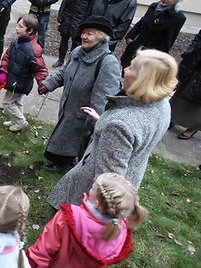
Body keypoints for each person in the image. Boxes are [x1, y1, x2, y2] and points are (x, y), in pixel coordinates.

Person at [46, 49, 176, 209]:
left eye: (131, 68)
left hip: (90, 192)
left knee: (69, 225)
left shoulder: (120, 125)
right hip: (131, 179)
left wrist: (93, 213)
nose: (125, 69)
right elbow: (135, 136)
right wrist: (102, 121)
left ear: (143, 80)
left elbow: (107, 183)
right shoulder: (162, 105)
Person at [38, 15, 120, 173]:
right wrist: (48, 85)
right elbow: (63, 73)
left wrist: (94, 123)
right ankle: (65, 162)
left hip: (83, 117)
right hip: (69, 108)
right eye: (83, 32)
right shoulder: (78, 51)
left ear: (101, 37)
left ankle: (67, 165)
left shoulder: (107, 63)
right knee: (65, 137)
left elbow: (103, 97)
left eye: (90, 33)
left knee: (75, 143)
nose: (84, 36)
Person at [27, 173, 148, 267]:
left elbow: (43, 250)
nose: (90, 188)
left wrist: (29, 263)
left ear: (96, 202)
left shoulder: (68, 217)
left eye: (93, 188)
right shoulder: (120, 230)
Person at [0, 14, 48, 132]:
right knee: (17, 102)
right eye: (17, 25)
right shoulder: (16, 42)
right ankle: (16, 120)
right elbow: (7, 57)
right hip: (13, 79)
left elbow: (40, 69)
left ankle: (20, 121)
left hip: (21, 82)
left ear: (30, 31)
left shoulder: (33, 50)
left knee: (7, 103)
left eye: (20, 27)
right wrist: (3, 72)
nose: (16, 28)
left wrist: (42, 84)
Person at [120, 0, 186, 69]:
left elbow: (166, 44)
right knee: (126, 71)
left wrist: (156, 60)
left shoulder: (178, 17)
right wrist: (130, 37)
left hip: (149, 57)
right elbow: (142, 22)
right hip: (134, 49)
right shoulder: (153, 6)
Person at [170, 29, 201, 140]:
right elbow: (198, 37)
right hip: (196, 59)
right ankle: (172, 117)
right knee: (183, 88)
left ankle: (193, 127)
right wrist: (190, 51)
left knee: (198, 99)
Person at [51, 0, 91, 67]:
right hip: (67, 17)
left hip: (79, 20)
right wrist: (60, 13)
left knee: (76, 43)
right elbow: (64, 2)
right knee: (63, 40)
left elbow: (90, 9)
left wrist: (86, 22)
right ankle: (60, 60)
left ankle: (72, 62)